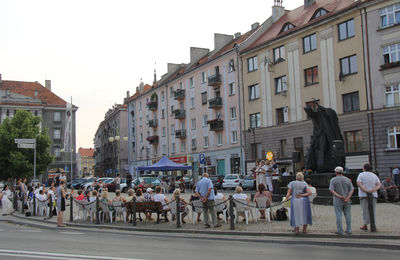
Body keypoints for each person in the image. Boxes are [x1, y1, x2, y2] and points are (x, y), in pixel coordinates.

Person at [329, 166, 354, 235]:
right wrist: (348, 197)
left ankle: (340, 230)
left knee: (338, 215)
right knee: (348, 214)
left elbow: (332, 190)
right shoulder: (347, 180)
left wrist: (339, 196)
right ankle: (349, 230)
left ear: (336, 172)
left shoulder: (333, 180)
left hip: (338, 200)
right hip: (347, 199)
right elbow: (352, 189)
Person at [357, 163, 381, 231]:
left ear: (364, 168)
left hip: (363, 195)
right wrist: (373, 190)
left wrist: (365, 190)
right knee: (373, 210)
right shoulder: (374, 175)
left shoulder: (361, 174)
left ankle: (365, 224)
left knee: (365, 210)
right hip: (373, 194)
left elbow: (359, 183)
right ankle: (373, 224)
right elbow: (379, 184)